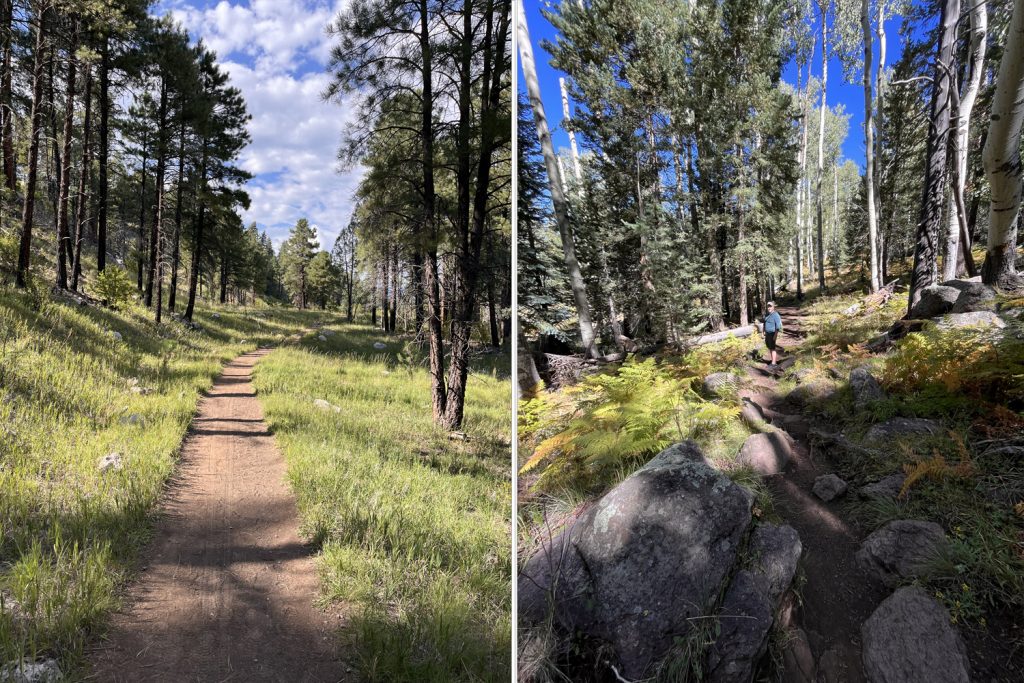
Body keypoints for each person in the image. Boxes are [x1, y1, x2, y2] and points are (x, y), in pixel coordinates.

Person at [763, 301, 782, 367]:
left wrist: (775, 335)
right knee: (769, 347)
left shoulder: (776, 315)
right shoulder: (766, 314)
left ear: (773, 307)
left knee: (772, 347)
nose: (769, 308)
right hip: (767, 333)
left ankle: (774, 363)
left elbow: (778, 326)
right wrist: (764, 331)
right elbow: (764, 323)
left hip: (772, 333)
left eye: (770, 306)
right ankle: (772, 361)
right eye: (768, 306)